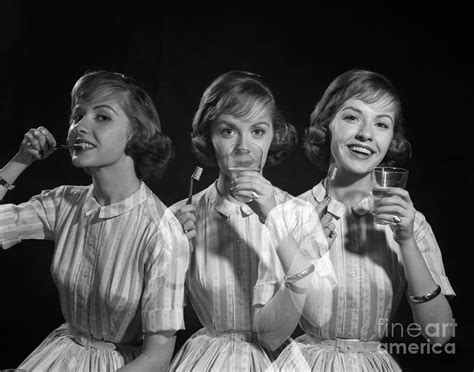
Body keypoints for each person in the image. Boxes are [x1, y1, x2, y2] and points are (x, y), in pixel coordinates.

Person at [0, 70, 189, 371]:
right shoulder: (63, 203)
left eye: (101, 117)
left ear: (135, 134)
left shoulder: (161, 232)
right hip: (58, 355)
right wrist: (21, 160)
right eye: (77, 115)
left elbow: (157, 358)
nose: (79, 127)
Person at [270, 68, 455, 371]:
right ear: (326, 124)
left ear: (391, 140)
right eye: (352, 117)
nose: (366, 134)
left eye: (381, 124)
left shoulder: (411, 222)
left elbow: (440, 335)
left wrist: (407, 241)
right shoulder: (289, 216)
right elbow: (270, 332)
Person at [168, 70, 324, 371]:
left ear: (273, 137)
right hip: (207, 361)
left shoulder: (299, 212)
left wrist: (273, 218)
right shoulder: (182, 214)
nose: (243, 146)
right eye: (228, 131)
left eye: (257, 131)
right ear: (209, 137)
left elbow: (317, 314)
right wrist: (170, 252)